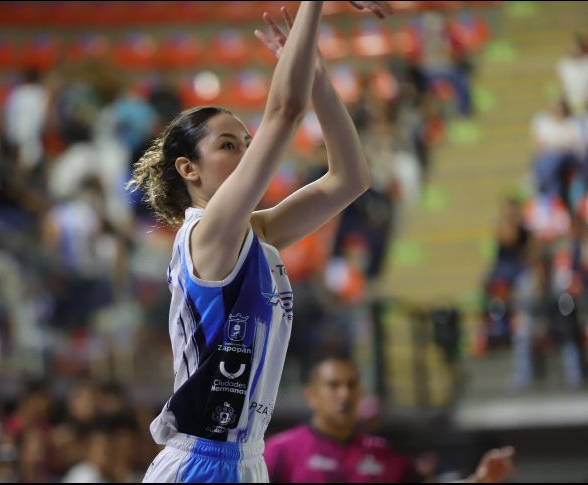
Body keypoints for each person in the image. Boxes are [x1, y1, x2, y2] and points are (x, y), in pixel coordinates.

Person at [128, 2, 391, 482]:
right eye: (228, 145)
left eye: (248, 143)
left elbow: (350, 178)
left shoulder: (256, 233)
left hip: (247, 458)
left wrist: (316, 78)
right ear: (188, 169)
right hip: (199, 461)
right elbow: (284, 112)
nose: (247, 154)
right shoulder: (206, 235)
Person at [264, 355, 516, 483]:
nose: (344, 394)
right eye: (334, 385)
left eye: (352, 386)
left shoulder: (384, 456)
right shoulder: (281, 450)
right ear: (311, 395)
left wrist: (479, 480)